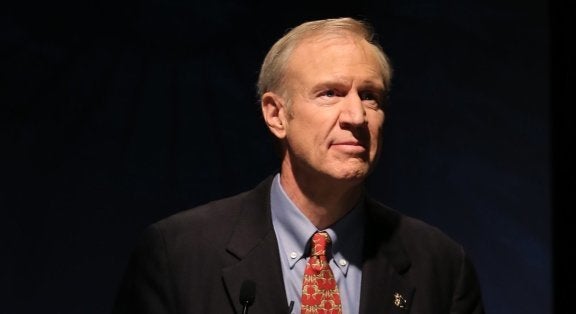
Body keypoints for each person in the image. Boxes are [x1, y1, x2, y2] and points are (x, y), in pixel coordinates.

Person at [113, 17, 484, 314]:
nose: (356, 115)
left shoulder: (441, 264)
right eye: (330, 94)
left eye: (370, 96)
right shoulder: (178, 254)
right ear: (276, 115)